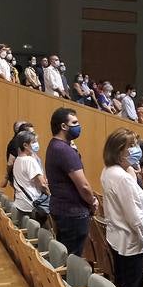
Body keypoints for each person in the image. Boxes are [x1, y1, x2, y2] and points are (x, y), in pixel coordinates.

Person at [101, 129, 143, 287]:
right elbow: (134, 218)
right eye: (131, 146)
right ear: (119, 150)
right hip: (131, 241)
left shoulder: (109, 171)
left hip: (117, 238)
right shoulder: (123, 178)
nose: (136, 149)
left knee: (123, 286)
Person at [46, 107, 97, 258]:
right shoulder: (65, 150)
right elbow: (84, 186)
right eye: (74, 122)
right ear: (63, 126)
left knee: (64, 255)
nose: (78, 126)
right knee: (72, 259)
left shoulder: (54, 145)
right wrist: (93, 200)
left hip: (61, 210)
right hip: (73, 213)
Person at [11, 129, 48, 220]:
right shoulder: (30, 160)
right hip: (32, 204)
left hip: (20, 202)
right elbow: (42, 184)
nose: (37, 144)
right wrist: (50, 195)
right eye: (34, 142)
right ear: (25, 145)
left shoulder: (17, 160)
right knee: (43, 232)